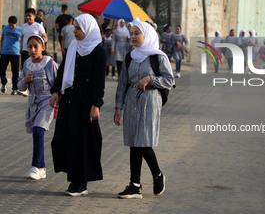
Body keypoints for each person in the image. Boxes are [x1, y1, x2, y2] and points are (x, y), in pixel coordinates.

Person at [114, 21, 174, 199]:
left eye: (137, 33)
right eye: (131, 33)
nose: (132, 36)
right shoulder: (130, 57)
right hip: (131, 101)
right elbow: (123, 82)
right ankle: (135, 185)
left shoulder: (158, 57)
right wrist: (118, 107)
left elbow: (169, 81)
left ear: (146, 35)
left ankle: (157, 174)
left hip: (150, 101)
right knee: (134, 143)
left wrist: (150, 79)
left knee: (143, 141)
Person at [49, 14, 106, 196]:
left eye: (78, 29)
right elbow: (63, 71)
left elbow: (99, 82)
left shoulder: (98, 52)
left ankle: (80, 182)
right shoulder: (73, 47)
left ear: (88, 29)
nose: (75, 32)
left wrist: (96, 104)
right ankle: (75, 179)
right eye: (74, 28)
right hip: (69, 100)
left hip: (86, 103)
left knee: (82, 141)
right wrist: (56, 91)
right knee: (64, 139)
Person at [17, 35, 58, 180]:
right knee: (36, 131)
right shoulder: (27, 64)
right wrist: (25, 80)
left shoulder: (49, 63)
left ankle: (35, 166)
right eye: (30, 47)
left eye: (36, 46)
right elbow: (20, 86)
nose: (33, 50)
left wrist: (58, 97)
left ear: (43, 48)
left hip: (47, 101)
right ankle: (41, 167)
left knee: (38, 130)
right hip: (33, 103)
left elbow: (59, 82)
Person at [0, 16, 23, 95]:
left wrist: (21, 48)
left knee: (15, 71)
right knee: (2, 69)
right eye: (9, 25)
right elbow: (2, 37)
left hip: (15, 53)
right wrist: (1, 47)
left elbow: (23, 39)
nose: (11, 27)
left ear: (16, 23)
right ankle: (4, 83)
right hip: (5, 52)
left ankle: (15, 88)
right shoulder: (5, 28)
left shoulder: (20, 30)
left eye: (12, 25)